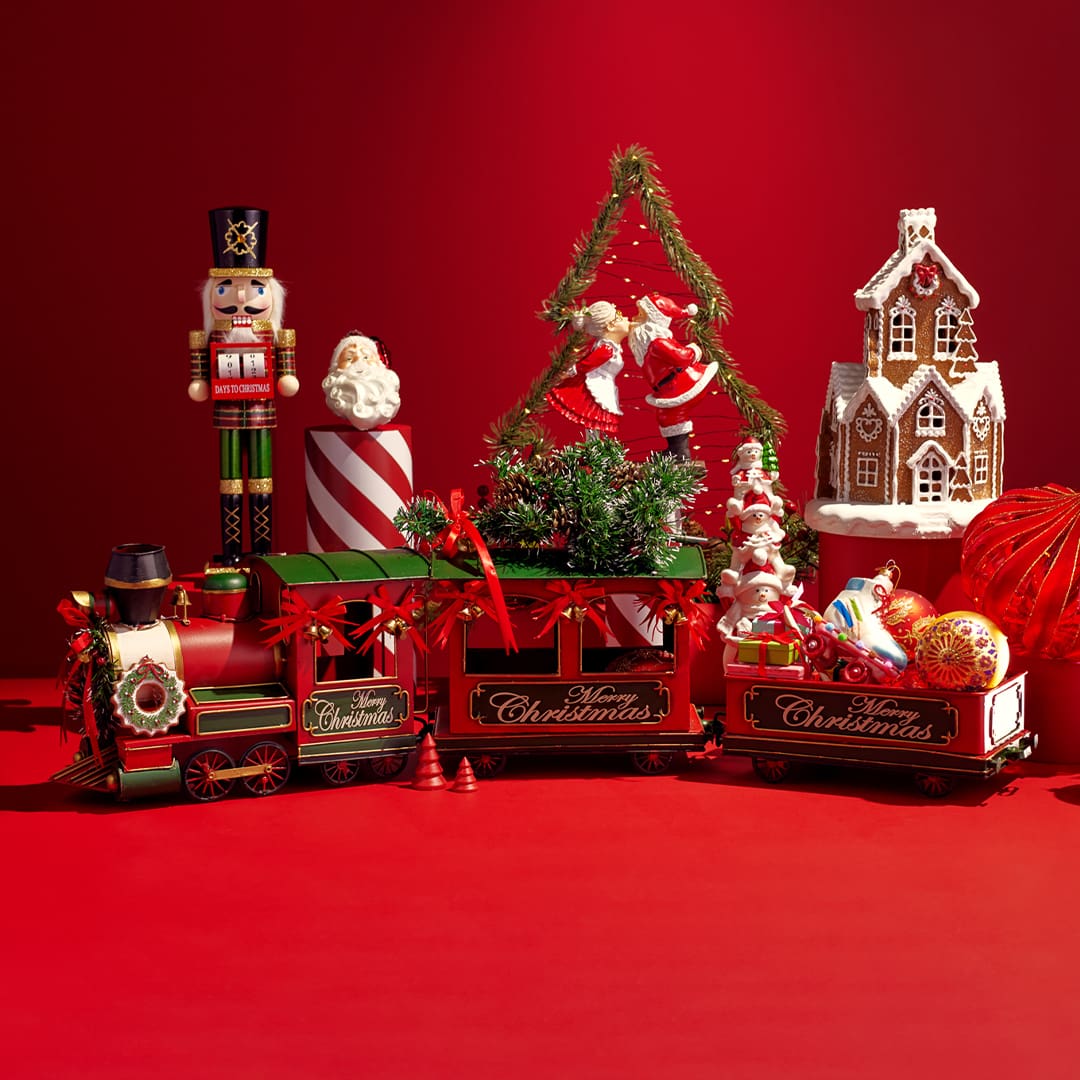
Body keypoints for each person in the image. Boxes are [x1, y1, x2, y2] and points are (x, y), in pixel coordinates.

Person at [188, 207, 299, 565]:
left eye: (253, 289)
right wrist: (199, 382)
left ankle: (263, 549)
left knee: (262, 478)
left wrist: (286, 376)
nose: (241, 299)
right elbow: (200, 371)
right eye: (226, 289)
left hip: (261, 410)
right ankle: (233, 550)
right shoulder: (210, 336)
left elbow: (286, 370)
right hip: (228, 412)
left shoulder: (275, 334)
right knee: (231, 480)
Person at [627, 293, 718, 459]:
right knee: (665, 416)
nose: (635, 317)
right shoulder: (648, 344)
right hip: (669, 388)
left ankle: (681, 453)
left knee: (672, 415)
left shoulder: (657, 343)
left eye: (641, 314)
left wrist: (694, 350)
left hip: (683, 384)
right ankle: (675, 450)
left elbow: (681, 356)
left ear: (654, 319)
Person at [546, 301, 630, 435]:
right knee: (594, 416)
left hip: (606, 385)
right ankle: (593, 446)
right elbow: (587, 363)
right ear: (610, 326)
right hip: (598, 385)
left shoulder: (611, 347)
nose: (626, 318)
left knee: (599, 419)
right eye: (620, 316)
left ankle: (597, 446)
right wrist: (571, 371)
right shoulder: (607, 349)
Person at [322, 332, 401, 431]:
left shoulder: (387, 385)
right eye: (349, 358)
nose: (359, 362)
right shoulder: (338, 388)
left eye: (366, 357)